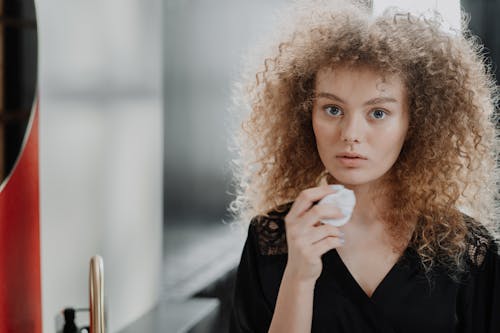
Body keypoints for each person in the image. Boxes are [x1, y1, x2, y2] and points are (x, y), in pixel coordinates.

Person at [228, 0, 500, 332]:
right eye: (332, 109)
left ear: (414, 123)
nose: (351, 135)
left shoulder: (467, 250)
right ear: (305, 116)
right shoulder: (270, 240)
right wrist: (298, 276)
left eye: (378, 113)